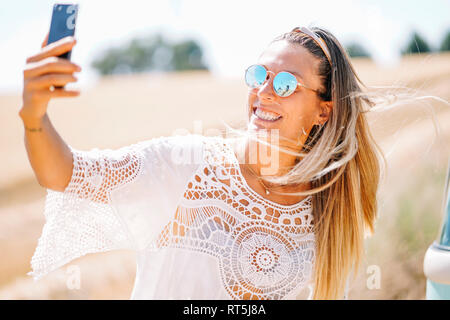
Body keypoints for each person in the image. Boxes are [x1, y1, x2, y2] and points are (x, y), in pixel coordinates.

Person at [20, 26, 397, 300]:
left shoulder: (329, 212)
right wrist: (34, 117)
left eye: (285, 83)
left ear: (323, 111)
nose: (263, 92)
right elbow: (67, 173)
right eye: (258, 75)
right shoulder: (186, 166)